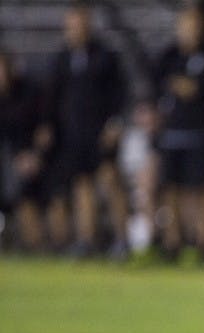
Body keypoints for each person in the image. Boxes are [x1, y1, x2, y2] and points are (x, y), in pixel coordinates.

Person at [46, 2, 128, 258]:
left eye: (79, 24)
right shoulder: (62, 58)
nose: (74, 29)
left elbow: (120, 93)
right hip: (74, 133)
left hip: (101, 131)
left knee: (110, 180)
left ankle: (123, 240)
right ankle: (86, 240)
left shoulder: (105, 56)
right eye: (71, 25)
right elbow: (53, 98)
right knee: (82, 185)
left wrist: (115, 123)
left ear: (88, 24)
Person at [152, 5, 204, 263]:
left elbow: (200, 89)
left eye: (194, 26)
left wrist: (182, 86)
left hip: (201, 134)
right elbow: (156, 87)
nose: (189, 31)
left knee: (202, 189)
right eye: (185, 26)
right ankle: (173, 243)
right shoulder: (169, 56)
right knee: (170, 189)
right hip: (171, 134)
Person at [0, 51, 55, 253]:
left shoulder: (30, 92)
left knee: (26, 195)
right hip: (9, 161)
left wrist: (34, 155)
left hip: (37, 161)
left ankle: (41, 248)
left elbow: (45, 131)